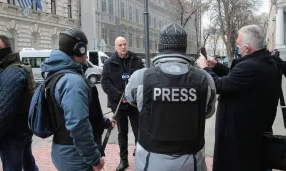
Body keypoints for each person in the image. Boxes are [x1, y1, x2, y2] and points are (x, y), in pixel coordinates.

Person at [125, 23, 217, 171]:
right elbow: (208, 112)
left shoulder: (140, 77)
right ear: (184, 47)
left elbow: (132, 100)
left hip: (150, 162)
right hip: (191, 162)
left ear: (160, 46)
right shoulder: (205, 79)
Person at [196, 25, 281, 171]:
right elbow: (236, 80)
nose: (237, 45)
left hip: (242, 142)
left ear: (247, 48)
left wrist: (205, 69)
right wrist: (217, 66)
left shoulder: (251, 66)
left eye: (238, 43)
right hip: (250, 136)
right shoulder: (264, 61)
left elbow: (220, 85)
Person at [40, 28, 115, 171]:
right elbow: (78, 124)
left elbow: (76, 113)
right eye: (84, 48)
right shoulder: (72, 82)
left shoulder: (57, 74)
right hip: (75, 155)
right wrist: (94, 158)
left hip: (66, 151)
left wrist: (104, 122)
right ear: (80, 49)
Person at [0, 35, 39, 171]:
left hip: (12, 132)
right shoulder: (10, 69)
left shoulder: (11, 72)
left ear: (7, 49)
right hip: (23, 128)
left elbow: (5, 109)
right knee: (28, 164)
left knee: (13, 167)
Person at [101, 36, 144, 170]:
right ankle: (123, 160)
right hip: (118, 104)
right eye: (120, 45)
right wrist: (120, 96)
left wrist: (134, 95)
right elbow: (105, 83)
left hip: (134, 103)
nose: (123, 47)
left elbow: (143, 79)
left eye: (125, 44)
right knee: (122, 132)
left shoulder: (136, 60)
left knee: (139, 132)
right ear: (115, 47)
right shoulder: (109, 63)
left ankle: (140, 157)